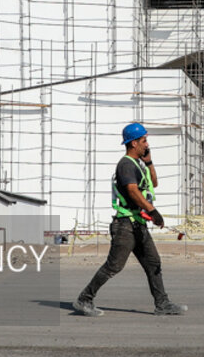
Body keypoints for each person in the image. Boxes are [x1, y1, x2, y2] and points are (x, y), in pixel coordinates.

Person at [73, 123, 186, 317]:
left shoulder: (139, 165)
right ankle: (84, 299)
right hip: (125, 226)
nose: (146, 144)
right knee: (114, 266)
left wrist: (149, 162)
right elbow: (133, 191)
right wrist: (153, 211)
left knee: (153, 263)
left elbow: (154, 183)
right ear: (133, 143)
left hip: (138, 224)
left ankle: (162, 304)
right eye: (144, 141)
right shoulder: (125, 165)